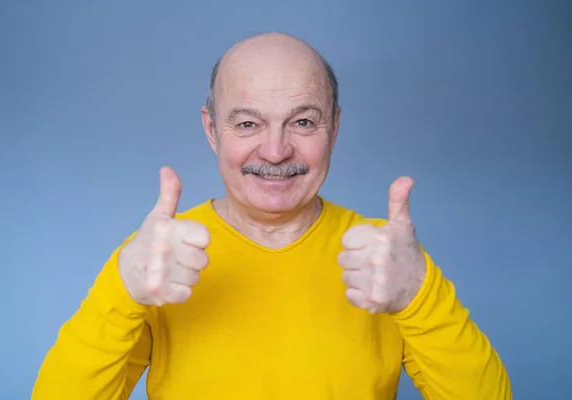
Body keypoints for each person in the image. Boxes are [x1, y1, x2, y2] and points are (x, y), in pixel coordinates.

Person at [32, 32, 512, 399]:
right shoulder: (160, 260)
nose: (277, 150)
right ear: (212, 129)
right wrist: (121, 288)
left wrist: (418, 295)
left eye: (303, 121)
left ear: (335, 127)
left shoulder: (385, 261)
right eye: (247, 123)